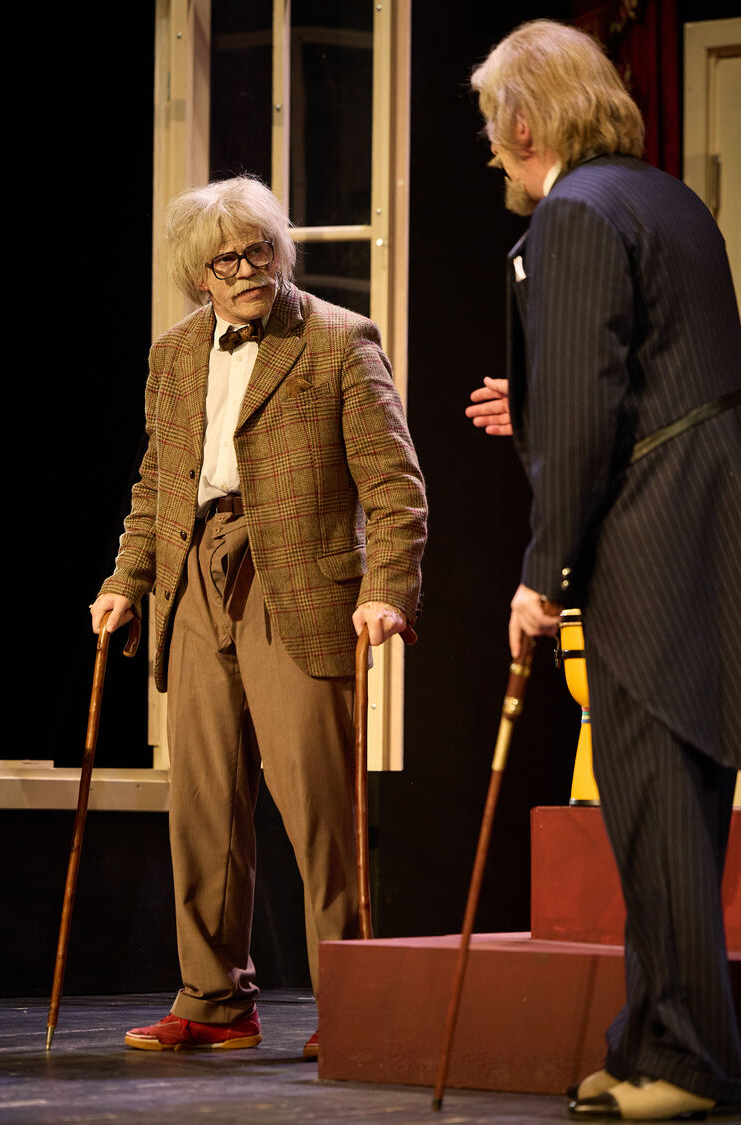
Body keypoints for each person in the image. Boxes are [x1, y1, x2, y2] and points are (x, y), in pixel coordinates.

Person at [468, 20, 741, 1121]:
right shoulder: (667, 198)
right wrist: (536, 406)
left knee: (657, 800)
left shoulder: (575, 211)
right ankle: (651, 1041)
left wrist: (542, 571)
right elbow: (646, 372)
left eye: (493, 123)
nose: (491, 147)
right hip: (704, 528)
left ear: (525, 121)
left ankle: (688, 1061)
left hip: (650, 541)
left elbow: (592, 413)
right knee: (671, 801)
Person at [91, 174, 427, 1057]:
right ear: (196, 274)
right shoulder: (174, 353)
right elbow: (157, 482)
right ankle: (213, 1001)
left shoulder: (338, 340)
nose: (246, 271)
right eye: (226, 260)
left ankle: (353, 1002)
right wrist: (127, 579)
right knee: (202, 804)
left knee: (319, 809)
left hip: (298, 581)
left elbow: (395, 487)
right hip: (194, 579)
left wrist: (386, 589)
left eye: (259, 250)